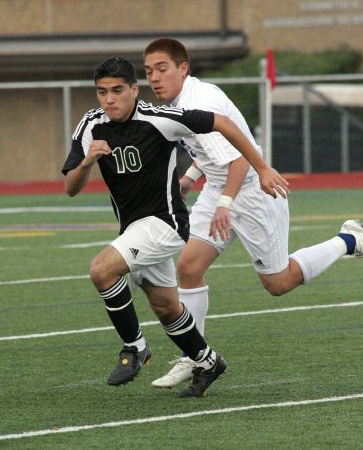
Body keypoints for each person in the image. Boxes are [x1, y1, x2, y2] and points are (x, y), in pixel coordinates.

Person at [62, 56, 289, 397]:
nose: (109, 99)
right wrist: (87, 162)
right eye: (102, 92)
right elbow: (71, 187)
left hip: (166, 224)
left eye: (118, 90)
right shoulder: (91, 126)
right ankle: (208, 361)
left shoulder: (159, 118)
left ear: (134, 90)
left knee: (101, 270)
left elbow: (224, 124)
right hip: (133, 228)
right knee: (167, 307)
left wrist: (261, 166)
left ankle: (134, 347)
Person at [143, 38, 363, 388]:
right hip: (222, 188)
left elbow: (239, 158)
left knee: (278, 283)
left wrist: (225, 204)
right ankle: (195, 357)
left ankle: (349, 239)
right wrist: (189, 178)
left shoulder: (198, 100)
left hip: (252, 191)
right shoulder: (182, 101)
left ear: (184, 69)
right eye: (149, 71)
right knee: (188, 266)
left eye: (162, 69)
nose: (154, 78)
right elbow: (212, 149)